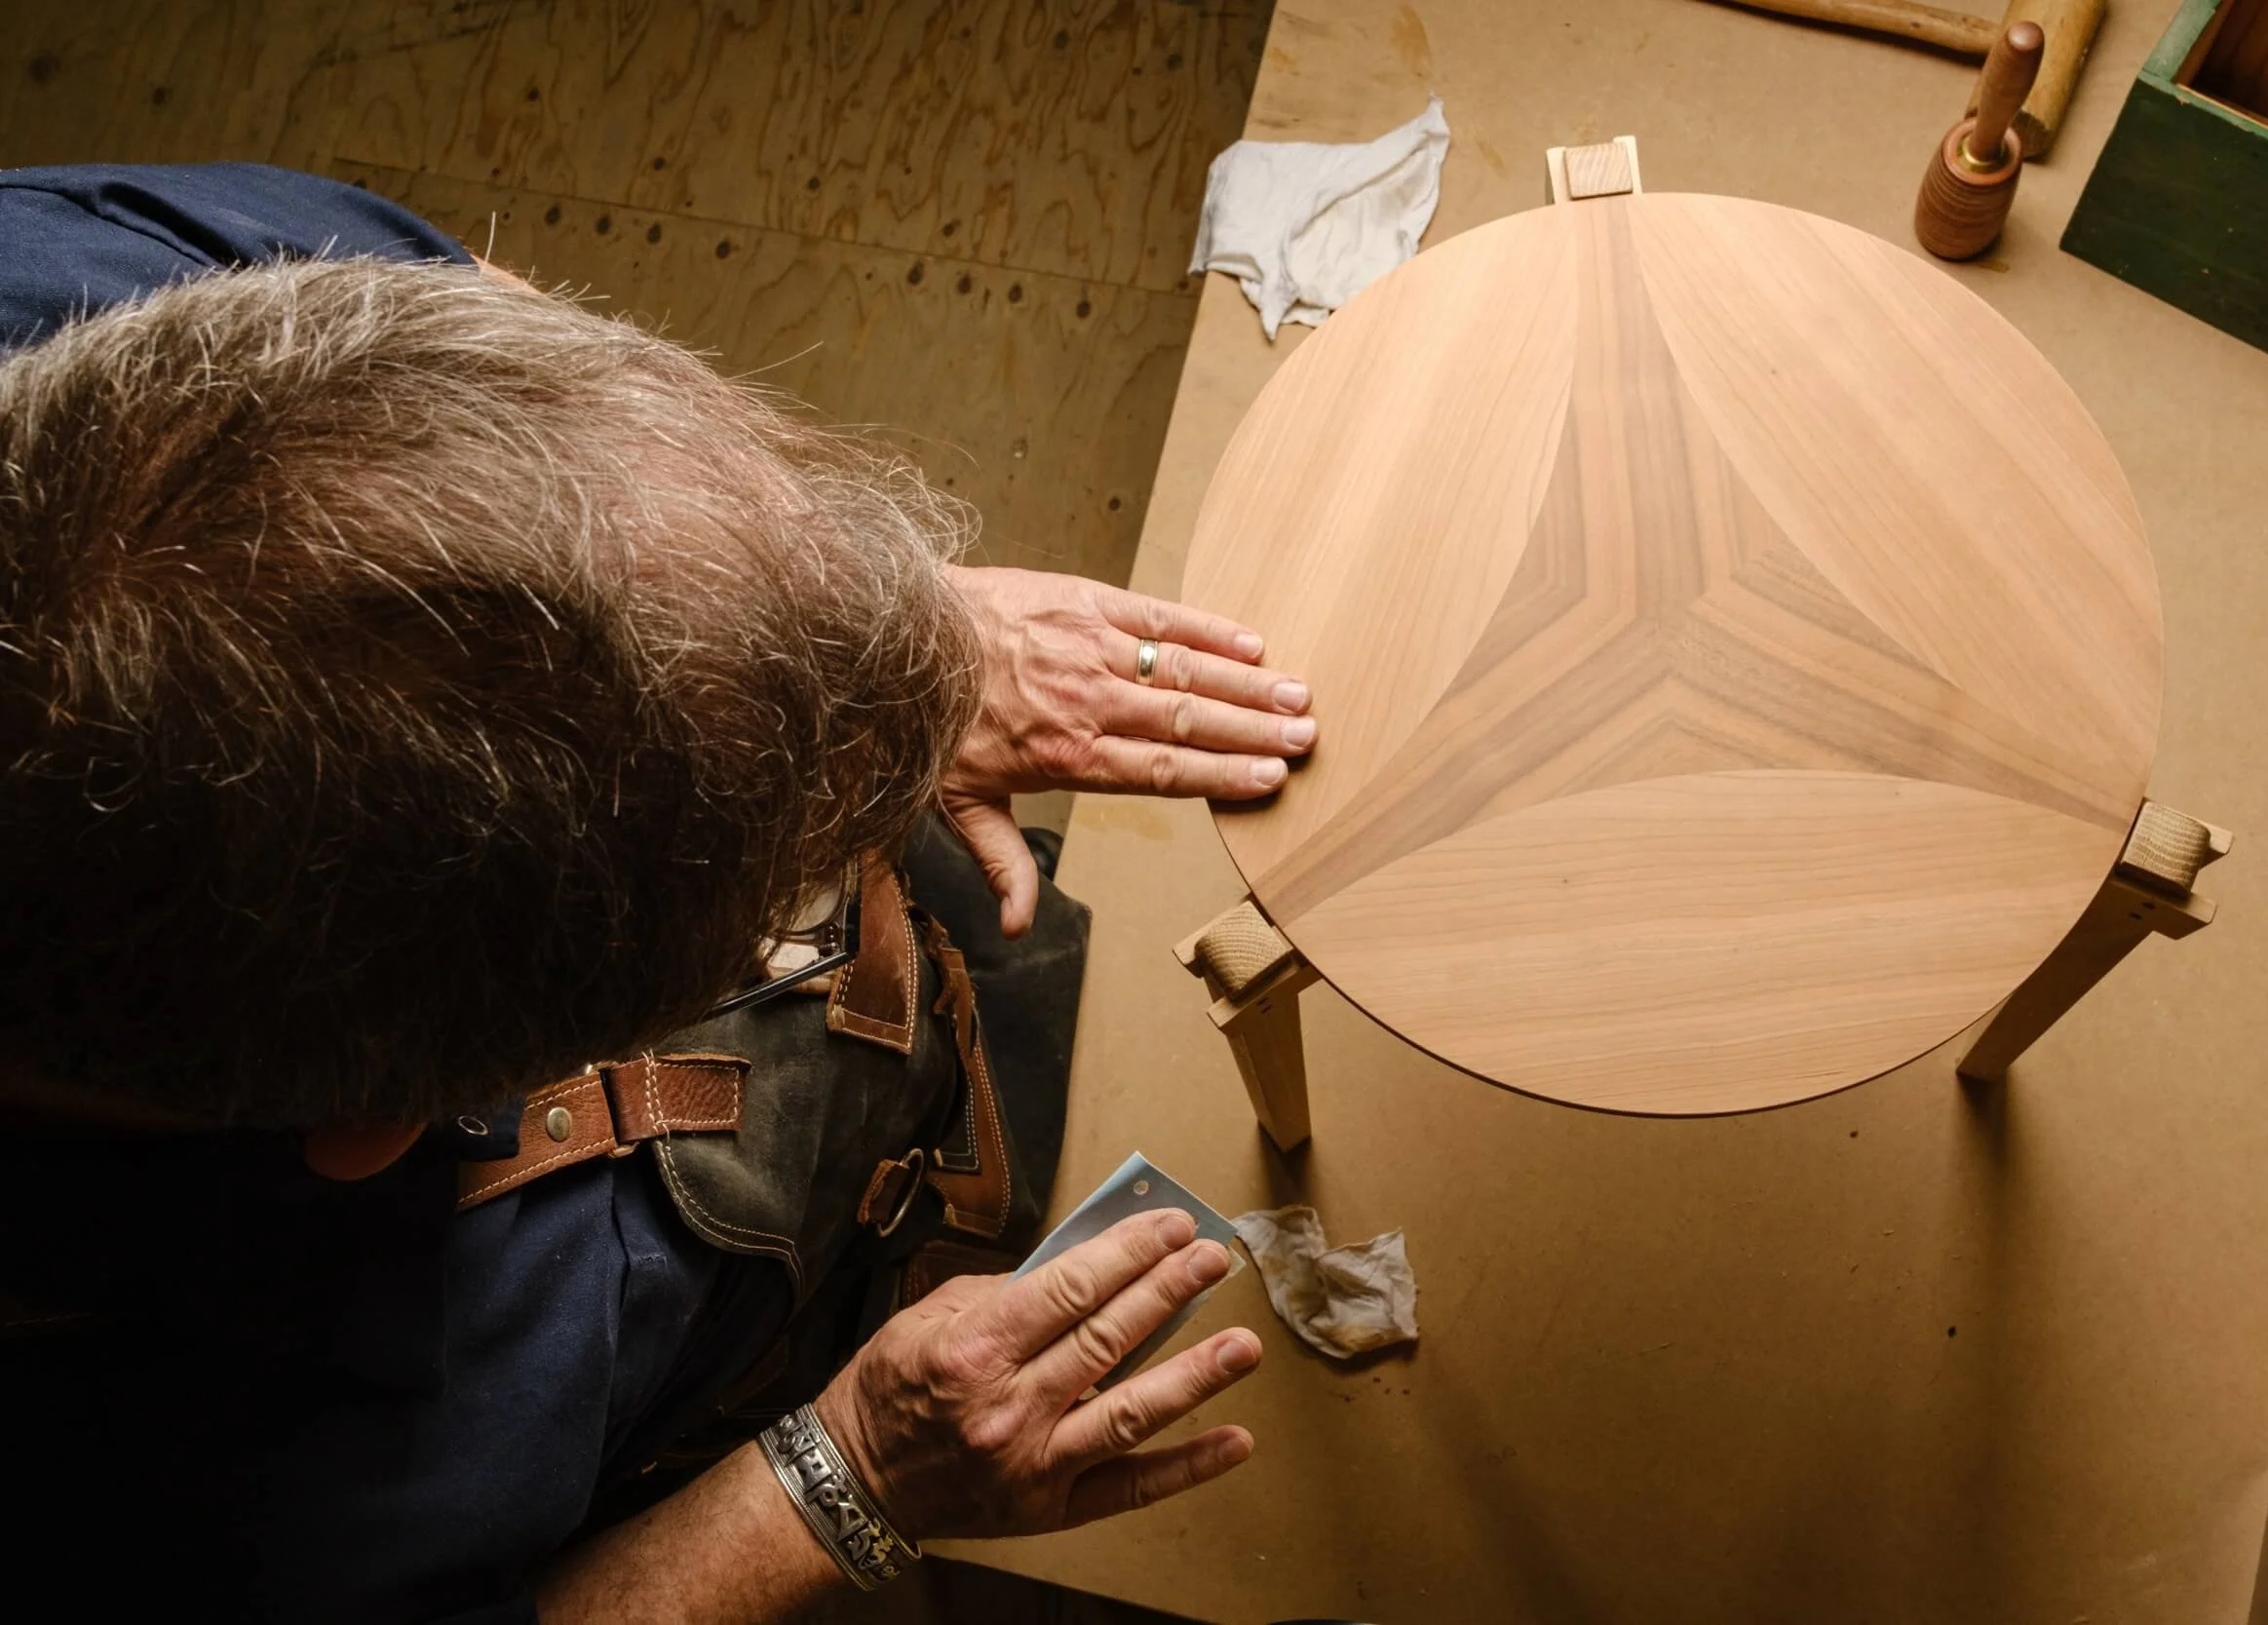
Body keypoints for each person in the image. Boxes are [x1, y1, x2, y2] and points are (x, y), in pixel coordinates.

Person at [0, 163, 1319, 1621]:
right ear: (395, 1117)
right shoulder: (200, 1516)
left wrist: (863, 618)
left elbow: (505, 334)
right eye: (775, 871)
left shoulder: (44, 274)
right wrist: (854, 1472)